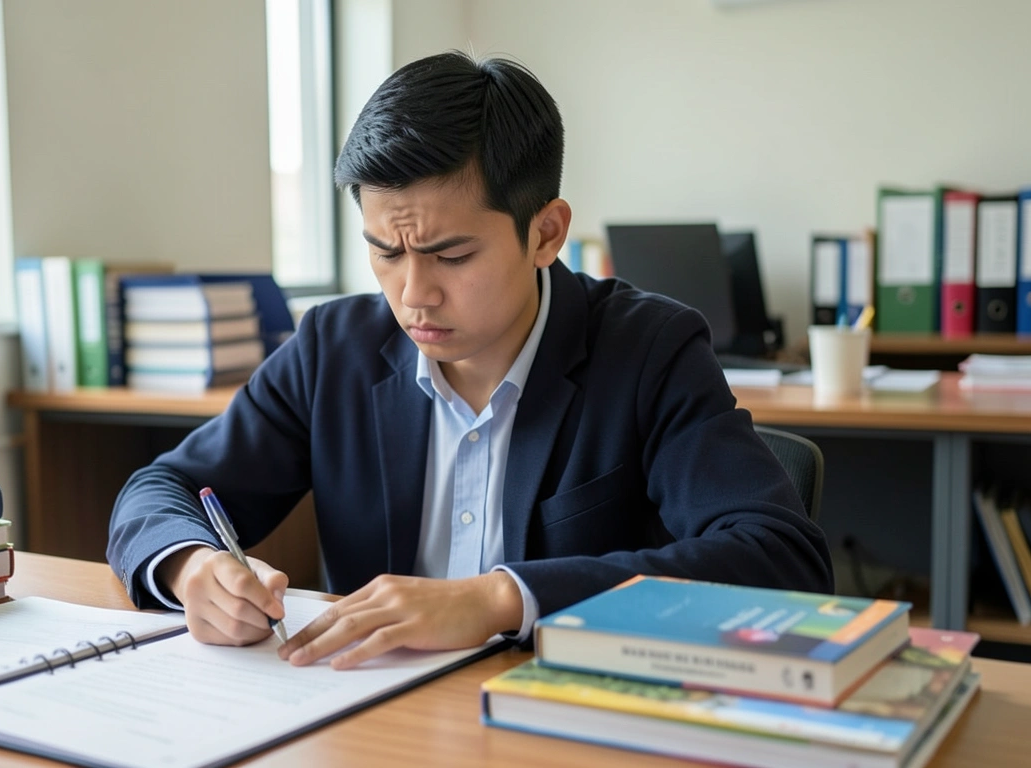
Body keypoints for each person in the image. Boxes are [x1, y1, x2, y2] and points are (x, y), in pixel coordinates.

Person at [107, 51, 833, 671]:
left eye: (451, 254)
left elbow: (782, 561)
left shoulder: (650, 350)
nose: (413, 294)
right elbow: (160, 489)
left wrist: (500, 598)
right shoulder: (335, 348)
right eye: (384, 252)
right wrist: (191, 567)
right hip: (372, 724)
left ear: (546, 233)